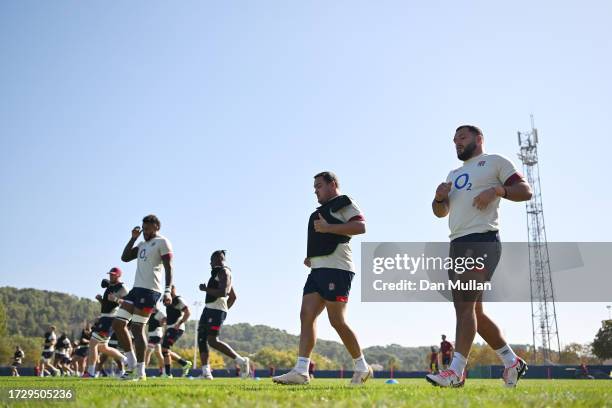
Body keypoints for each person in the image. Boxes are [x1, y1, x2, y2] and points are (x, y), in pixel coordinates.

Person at [426, 125, 532, 388]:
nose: (457, 143)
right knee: (473, 310)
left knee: (464, 306)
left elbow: (525, 191)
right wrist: (439, 198)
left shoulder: (495, 162)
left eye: (462, 137)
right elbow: (440, 213)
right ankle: (511, 361)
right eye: (454, 140)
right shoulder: (454, 173)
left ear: (479, 138)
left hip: (482, 239)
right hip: (458, 243)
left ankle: (455, 372)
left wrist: (497, 191)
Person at [273, 171, 372, 386]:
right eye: (315, 187)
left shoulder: (344, 202)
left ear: (332, 184)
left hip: (337, 269)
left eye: (319, 185)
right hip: (318, 270)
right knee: (306, 314)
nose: (315, 190)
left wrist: (328, 228)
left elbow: (360, 226)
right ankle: (301, 370)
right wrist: (312, 256)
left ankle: (362, 366)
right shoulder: (321, 211)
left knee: (337, 321)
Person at [113, 214, 174, 381]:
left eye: (147, 228)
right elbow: (125, 258)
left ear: (156, 227)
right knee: (118, 324)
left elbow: (169, 267)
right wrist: (133, 238)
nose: (144, 231)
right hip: (136, 290)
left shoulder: (162, 242)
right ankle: (132, 363)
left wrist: (168, 290)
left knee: (137, 329)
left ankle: (140, 372)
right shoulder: (141, 244)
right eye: (143, 228)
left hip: (150, 291)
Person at [197, 250, 250, 380]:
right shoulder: (217, 273)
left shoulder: (224, 272)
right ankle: (206, 373)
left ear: (220, 260)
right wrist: (225, 309)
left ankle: (241, 361)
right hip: (208, 309)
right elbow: (233, 296)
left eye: (217, 259)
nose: (213, 262)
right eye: (213, 259)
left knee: (213, 341)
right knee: (201, 339)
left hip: (215, 310)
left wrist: (206, 290)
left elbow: (223, 293)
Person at [84, 267, 129, 378]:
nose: (111, 276)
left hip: (110, 319)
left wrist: (116, 299)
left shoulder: (122, 287)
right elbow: (107, 305)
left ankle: (91, 372)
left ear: (118, 275)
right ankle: (126, 360)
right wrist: (101, 300)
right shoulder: (110, 287)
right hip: (104, 318)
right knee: (103, 347)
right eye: (110, 274)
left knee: (93, 343)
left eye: (113, 274)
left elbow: (128, 304)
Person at [160, 285, 192, 378]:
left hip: (176, 327)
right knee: (165, 350)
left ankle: (168, 374)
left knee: (165, 349)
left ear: (174, 290)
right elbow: (172, 314)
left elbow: (188, 313)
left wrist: (180, 323)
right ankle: (184, 363)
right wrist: (166, 320)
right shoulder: (168, 301)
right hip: (170, 328)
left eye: (171, 290)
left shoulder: (178, 300)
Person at [145, 307, 167, 377]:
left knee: (148, 352)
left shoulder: (159, 312)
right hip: (152, 336)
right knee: (158, 353)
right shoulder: (150, 312)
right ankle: (164, 371)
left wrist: (162, 323)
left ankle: (142, 371)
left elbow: (165, 318)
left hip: (156, 335)